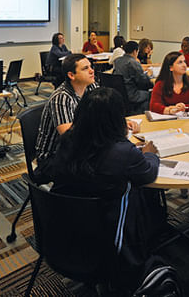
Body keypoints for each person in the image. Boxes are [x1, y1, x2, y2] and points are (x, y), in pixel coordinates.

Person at [40, 87, 161, 291]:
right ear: (116, 119)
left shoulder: (68, 141)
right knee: (139, 192)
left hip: (59, 236)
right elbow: (148, 174)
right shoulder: (123, 152)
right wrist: (150, 154)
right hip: (108, 250)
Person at [35, 54, 140, 175]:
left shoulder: (92, 87)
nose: (92, 71)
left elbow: (105, 113)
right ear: (71, 75)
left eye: (91, 66)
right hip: (55, 158)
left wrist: (120, 122)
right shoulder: (62, 97)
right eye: (85, 68)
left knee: (115, 159)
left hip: (82, 149)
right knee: (112, 165)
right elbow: (69, 136)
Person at [113, 41, 153, 113]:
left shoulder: (117, 61)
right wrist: (148, 75)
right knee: (151, 94)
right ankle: (140, 114)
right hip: (132, 94)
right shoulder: (133, 62)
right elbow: (143, 82)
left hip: (120, 93)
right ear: (135, 51)